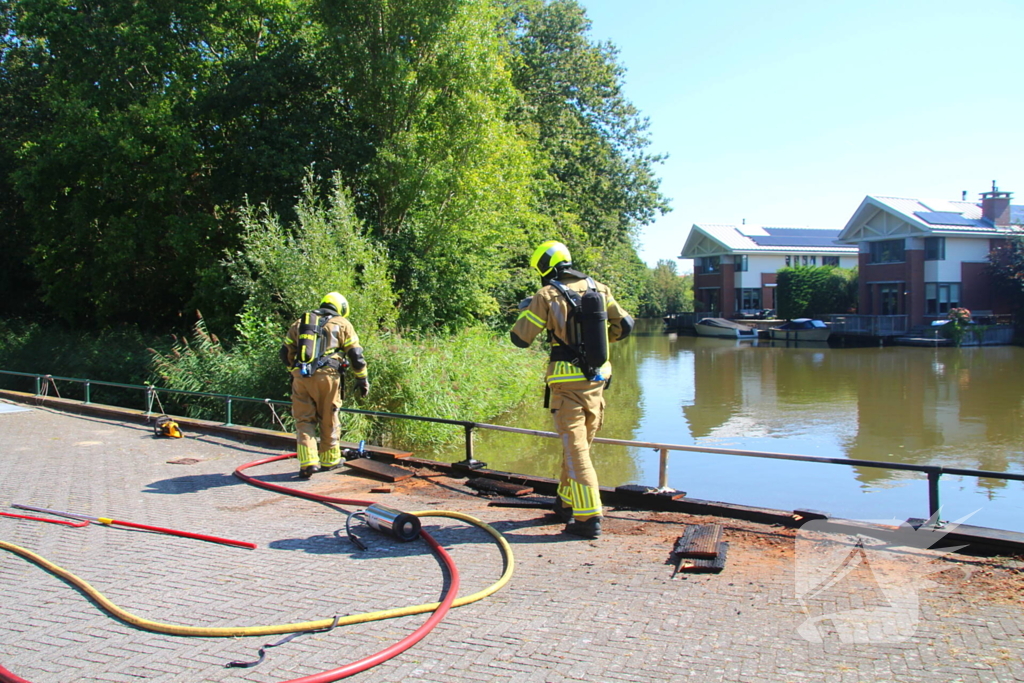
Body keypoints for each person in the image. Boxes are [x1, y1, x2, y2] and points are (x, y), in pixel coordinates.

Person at [510, 241, 634, 538]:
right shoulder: (599, 289)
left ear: (543, 266)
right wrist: (598, 345)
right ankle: (566, 502)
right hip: (597, 382)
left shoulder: (546, 295)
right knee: (577, 445)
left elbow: (520, 338)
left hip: (566, 387)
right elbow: (625, 324)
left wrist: (529, 309)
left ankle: (588, 517)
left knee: (576, 449)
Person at [279, 292, 370, 478]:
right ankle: (330, 460)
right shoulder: (342, 324)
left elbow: (284, 353)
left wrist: (294, 373)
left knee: (304, 420)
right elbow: (356, 356)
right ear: (341, 308)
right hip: (328, 377)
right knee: (329, 416)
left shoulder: (300, 323)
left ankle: (308, 462)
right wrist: (362, 379)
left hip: (301, 377)